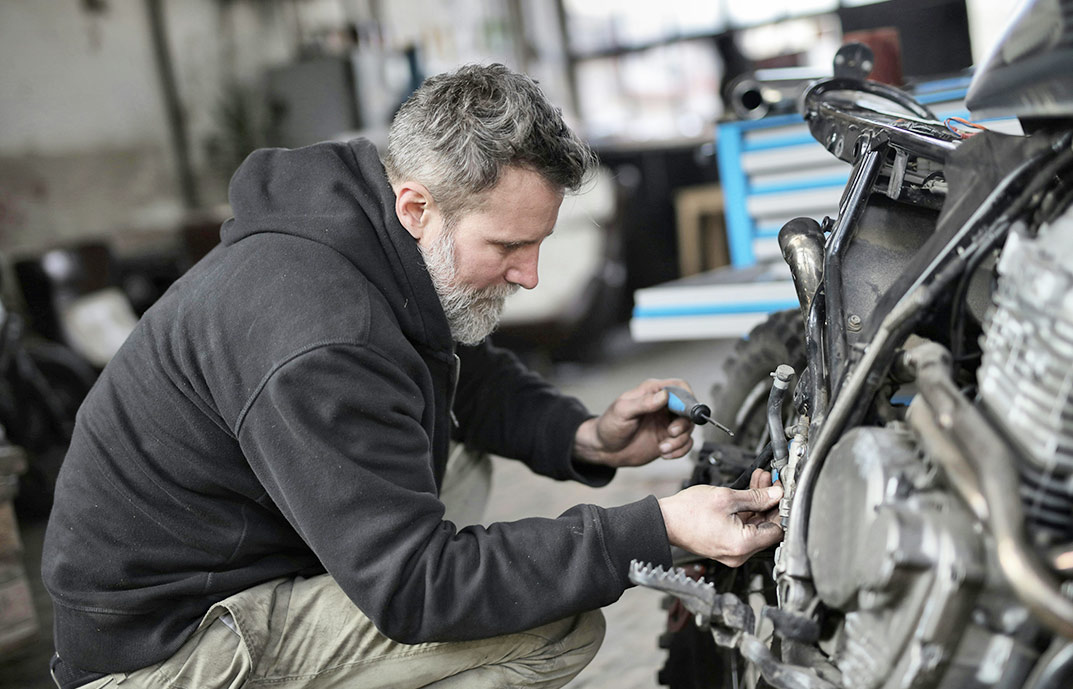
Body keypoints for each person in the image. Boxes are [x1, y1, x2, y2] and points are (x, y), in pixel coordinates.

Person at [42, 63, 783, 689]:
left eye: (538, 245)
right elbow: (417, 586)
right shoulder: (321, 336)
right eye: (508, 245)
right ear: (415, 205)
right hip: (166, 647)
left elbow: (458, 369)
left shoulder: (363, 235)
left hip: (229, 563)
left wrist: (584, 436)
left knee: (456, 447)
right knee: (554, 624)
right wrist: (652, 528)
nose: (528, 276)